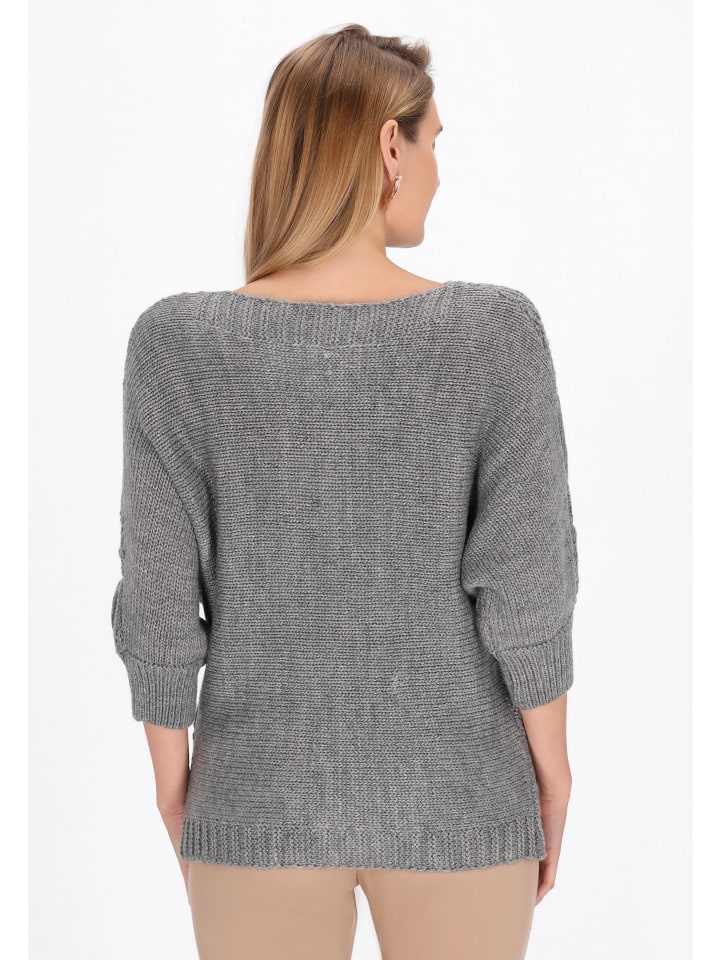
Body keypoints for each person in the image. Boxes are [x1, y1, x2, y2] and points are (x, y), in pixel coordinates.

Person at [111, 22, 580, 960]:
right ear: (388, 145)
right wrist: (554, 771)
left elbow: (159, 599)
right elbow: (527, 587)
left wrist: (175, 783)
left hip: (255, 798)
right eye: (435, 141)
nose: (439, 169)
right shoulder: (493, 335)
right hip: (461, 798)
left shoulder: (175, 346)